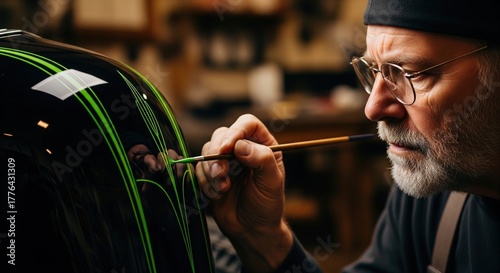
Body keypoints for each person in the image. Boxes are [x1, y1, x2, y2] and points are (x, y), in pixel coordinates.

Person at [194, 0, 500, 272]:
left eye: (412, 74)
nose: (373, 108)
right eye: (375, 71)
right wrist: (262, 238)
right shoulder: (434, 191)